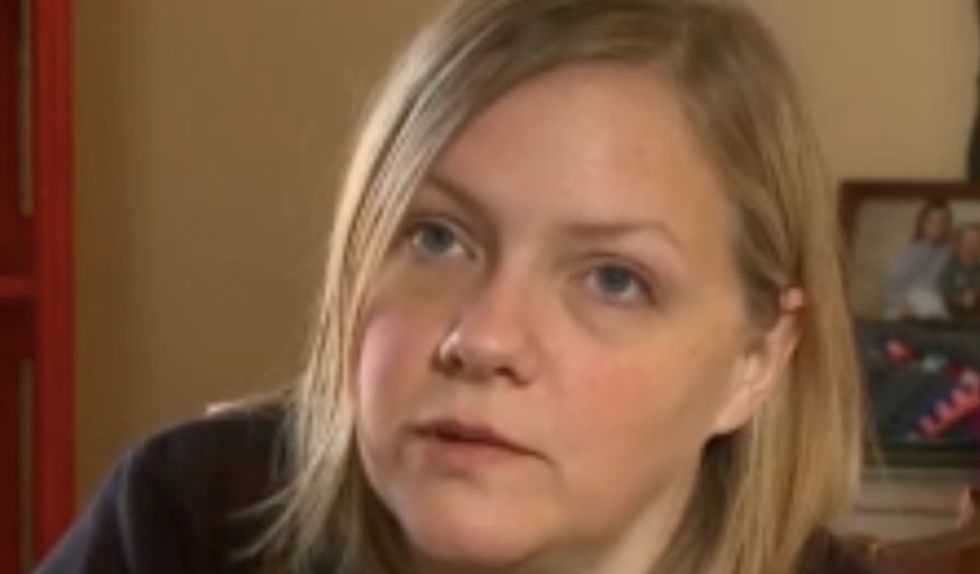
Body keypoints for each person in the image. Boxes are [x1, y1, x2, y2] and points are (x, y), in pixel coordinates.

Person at [36, 1, 870, 573]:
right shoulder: (191, 518)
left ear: (756, 362)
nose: (484, 338)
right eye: (437, 238)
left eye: (614, 281)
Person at [881, 199, 952, 319]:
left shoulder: (950, 253)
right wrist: (903, 305)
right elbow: (891, 287)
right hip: (908, 304)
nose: (936, 226)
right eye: (931, 220)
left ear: (947, 225)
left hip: (936, 306)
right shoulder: (911, 252)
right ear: (922, 223)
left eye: (941, 221)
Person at [938, 222, 980, 322]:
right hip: (949, 319)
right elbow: (941, 294)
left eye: (976, 241)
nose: (972, 245)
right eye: (968, 240)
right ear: (958, 242)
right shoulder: (947, 266)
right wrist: (960, 299)